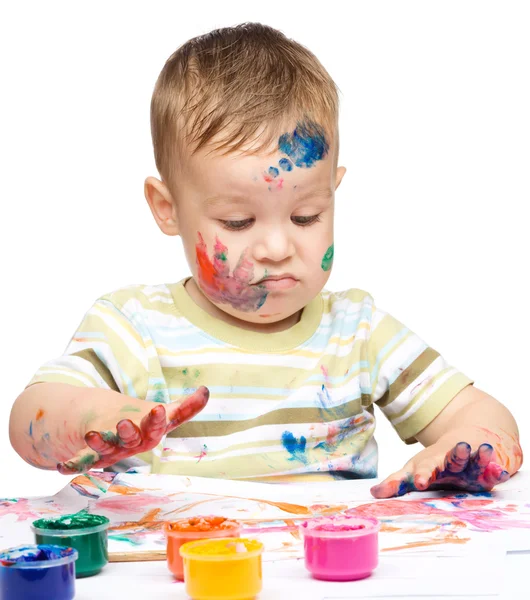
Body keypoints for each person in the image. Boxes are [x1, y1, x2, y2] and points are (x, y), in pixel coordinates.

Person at [9, 23, 522, 498]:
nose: (278, 248)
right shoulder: (134, 327)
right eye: (237, 223)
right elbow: (28, 421)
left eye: (305, 216)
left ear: (333, 192)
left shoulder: (358, 333)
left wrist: (465, 449)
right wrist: (93, 417)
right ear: (168, 209)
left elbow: (483, 412)